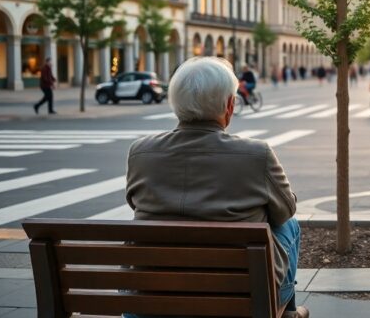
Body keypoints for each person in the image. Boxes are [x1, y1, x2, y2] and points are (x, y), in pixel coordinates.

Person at [125, 57, 309, 318]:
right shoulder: (257, 154)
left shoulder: (140, 152)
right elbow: (285, 211)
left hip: (150, 297)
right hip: (240, 297)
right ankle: (287, 312)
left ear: (175, 103)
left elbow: (135, 204)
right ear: (230, 105)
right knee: (288, 224)